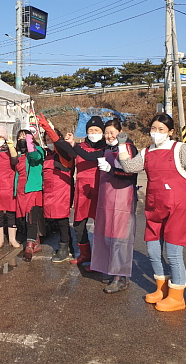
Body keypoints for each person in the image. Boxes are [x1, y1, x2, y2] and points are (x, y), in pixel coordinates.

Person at [118, 113, 186, 311]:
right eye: (153, 129)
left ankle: (177, 296)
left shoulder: (180, 149)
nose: (156, 133)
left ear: (171, 132)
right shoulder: (147, 151)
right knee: (153, 249)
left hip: (177, 207)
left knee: (173, 253)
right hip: (155, 204)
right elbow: (130, 167)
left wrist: (184, 195)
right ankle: (161, 289)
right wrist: (122, 146)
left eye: (161, 130)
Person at [69, 118, 138, 293]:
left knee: (120, 238)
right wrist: (73, 145)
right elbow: (89, 156)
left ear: (119, 132)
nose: (108, 135)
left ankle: (121, 277)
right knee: (107, 234)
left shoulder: (128, 147)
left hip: (123, 197)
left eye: (111, 132)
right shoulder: (107, 148)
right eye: (106, 132)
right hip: (107, 197)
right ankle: (111, 270)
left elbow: (131, 172)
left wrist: (111, 170)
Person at [36, 114, 75, 263]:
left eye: (51, 139)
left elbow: (58, 143)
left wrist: (47, 128)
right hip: (50, 192)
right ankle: (68, 247)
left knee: (62, 221)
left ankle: (64, 249)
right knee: (59, 222)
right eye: (46, 140)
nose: (49, 142)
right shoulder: (48, 155)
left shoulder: (64, 155)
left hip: (62, 192)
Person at [71, 116, 107, 267]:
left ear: (102, 132)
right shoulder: (80, 146)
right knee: (79, 224)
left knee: (101, 226)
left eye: (96, 130)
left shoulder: (106, 148)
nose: (93, 132)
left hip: (100, 191)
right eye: (90, 130)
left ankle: (100, 258)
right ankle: (85, 254)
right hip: (82, 190)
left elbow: (90, 157)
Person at [14, 129, 45, 262]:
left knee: (31, 218)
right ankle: (36, 243)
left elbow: (35, 157)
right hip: (21, 190)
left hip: (33, 189)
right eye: (19, 137)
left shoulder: (38, 150)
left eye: (24, 137)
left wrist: (29, 142)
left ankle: (29, 247)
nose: (22, 139)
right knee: (25, 220)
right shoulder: (19, 154)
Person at [0, 126, 20, 248]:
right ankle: (0, 239)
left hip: (9, 185)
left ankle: (12, 239)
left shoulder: (10, 149)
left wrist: (12, 148)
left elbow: (15, 161)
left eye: (0, 137)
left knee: (11, 212)